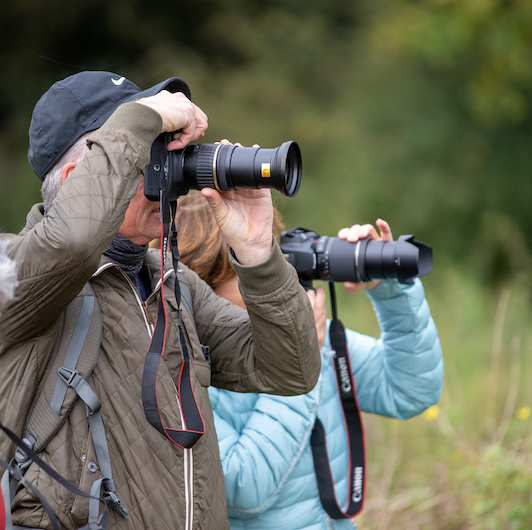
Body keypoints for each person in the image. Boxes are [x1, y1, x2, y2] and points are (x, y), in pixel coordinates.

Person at [0, 71, 321, 530]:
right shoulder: (12, 271)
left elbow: (291, 369)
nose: (162, 172)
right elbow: (71, 244)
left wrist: (256, 252)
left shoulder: (172, 282)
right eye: (142, 156)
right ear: (76, 179)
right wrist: (141, 119)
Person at [172, 191, 444, 530]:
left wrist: (390, 291)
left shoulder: (315, 334)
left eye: (267, 260)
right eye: (244, 269)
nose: (266, 279)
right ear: (198, 285)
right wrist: (298, 361)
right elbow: (243, 488)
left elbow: (411, 389)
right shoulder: (186, 370)